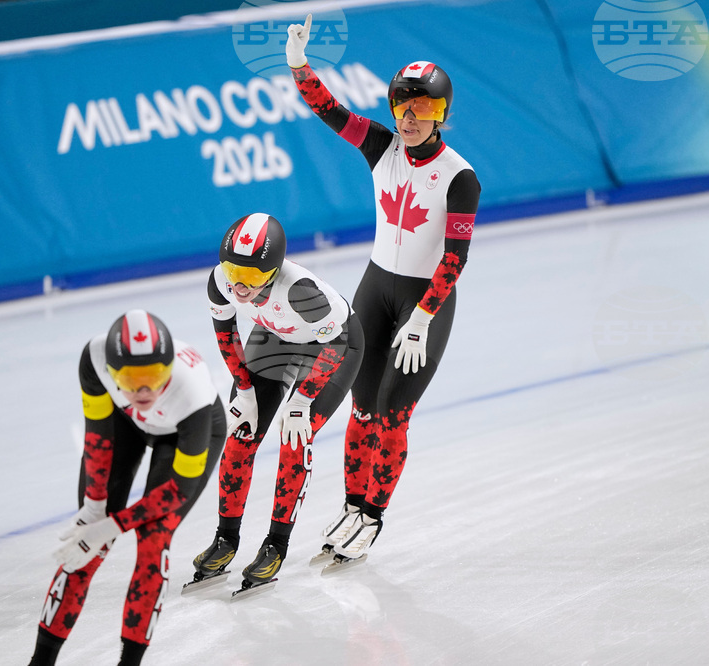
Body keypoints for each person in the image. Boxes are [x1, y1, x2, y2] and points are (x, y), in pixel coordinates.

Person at [285, 16, 481, 562]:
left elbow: (455, 256)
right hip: (374, 288)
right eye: (403, 107)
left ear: (442, 115)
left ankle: (373, 517)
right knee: (363, 405)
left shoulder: (460, 177)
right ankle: (352, 506)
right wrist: (300, 66)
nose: (411, 117)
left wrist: (422, 317)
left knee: (394, 411)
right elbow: (330, 111)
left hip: (425, 302)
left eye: (424, 108)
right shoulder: (380, 146)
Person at [27, 310, 225, 666]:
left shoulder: (191, 390)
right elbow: (99, 436)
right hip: (127, 424)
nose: (144, 390)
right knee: (86, 542)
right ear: (112, 371)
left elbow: (178, 490)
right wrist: (93, 510)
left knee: (153, 543)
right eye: (131, 379)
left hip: (184, 434)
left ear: (169, 368)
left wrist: (113, 524)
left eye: (154, 376)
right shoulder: (95, 358)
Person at [189, 212, 364, 591]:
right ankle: (226, 538)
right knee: (241, 435)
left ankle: (276, 544)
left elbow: (334, 346)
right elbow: (226, 335)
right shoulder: (220, 281)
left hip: (334, 346)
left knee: (294, 438)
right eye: (233, 269)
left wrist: (301, 401)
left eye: (251, 277)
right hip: (276, 338)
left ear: (273, 270)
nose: (239, 284)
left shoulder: (301, 291)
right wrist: (245, 390)